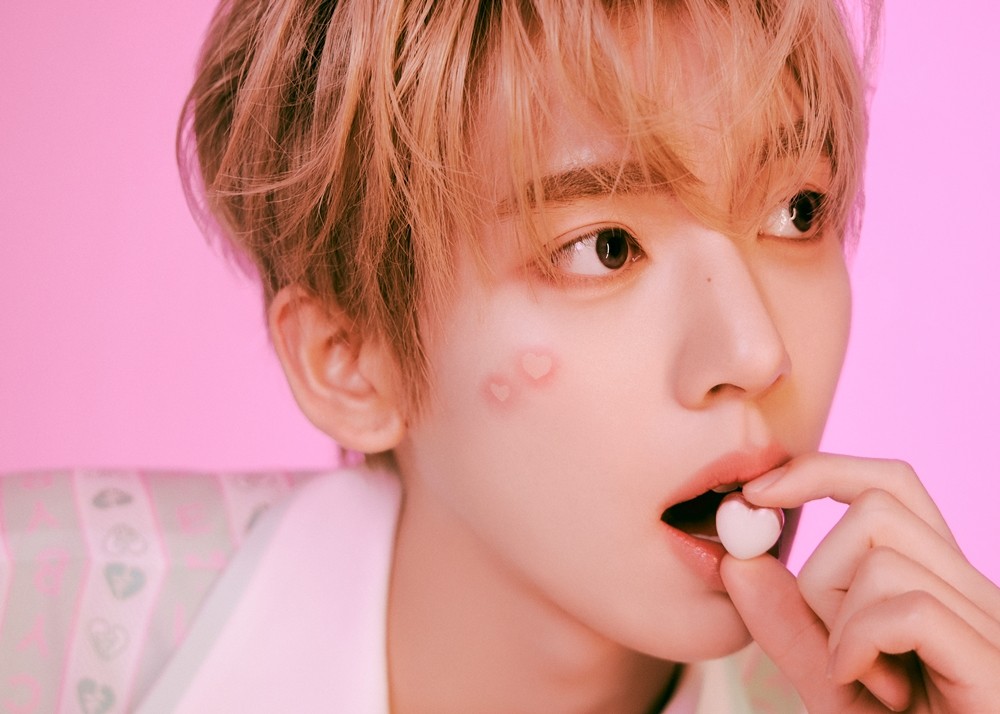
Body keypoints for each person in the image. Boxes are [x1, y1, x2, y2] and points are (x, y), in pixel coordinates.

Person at [1, 0, 998, 711]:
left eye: (797, 211)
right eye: (603, 247)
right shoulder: (48, 608)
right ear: (351, 361)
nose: (754, 349)